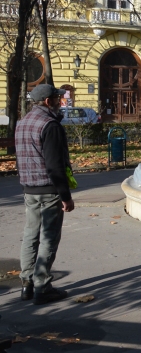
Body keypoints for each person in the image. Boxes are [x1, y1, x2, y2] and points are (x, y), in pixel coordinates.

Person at [16, 84, 75, 305]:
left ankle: (27, 283)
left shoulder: (22, 123)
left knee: (31, 235)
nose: (61, 102)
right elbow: (54, 166)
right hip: (48, 190)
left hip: (29, 188)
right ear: (48, 102)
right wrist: (65, 196)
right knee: (49, 238)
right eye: (57, 99)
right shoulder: (50, 125)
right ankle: (42, 286)